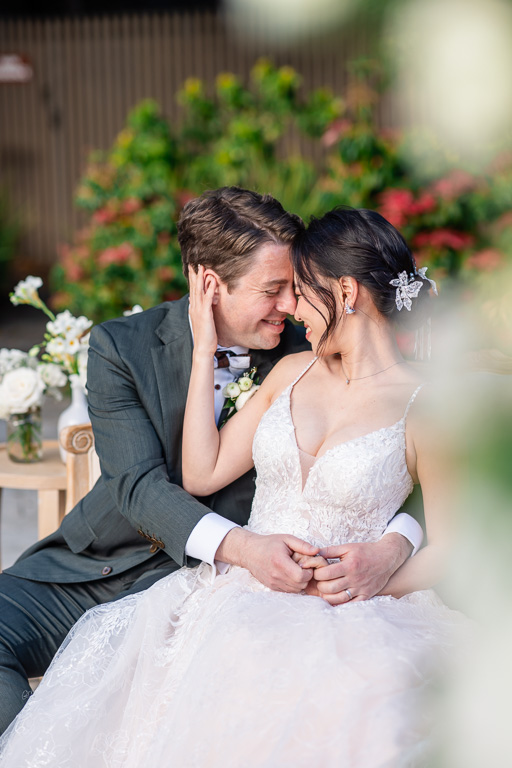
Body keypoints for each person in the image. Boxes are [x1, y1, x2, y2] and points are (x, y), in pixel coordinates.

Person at [0, 206, 464, 767]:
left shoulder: (318, 354)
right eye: (275, 289)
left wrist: (390, 551)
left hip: (291, 599)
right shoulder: (135, 348)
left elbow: (428, 501)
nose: (289, 306)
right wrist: (203, 352)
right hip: (128, 571)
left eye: (295, 288)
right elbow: (158, 482)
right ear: (212, 286)